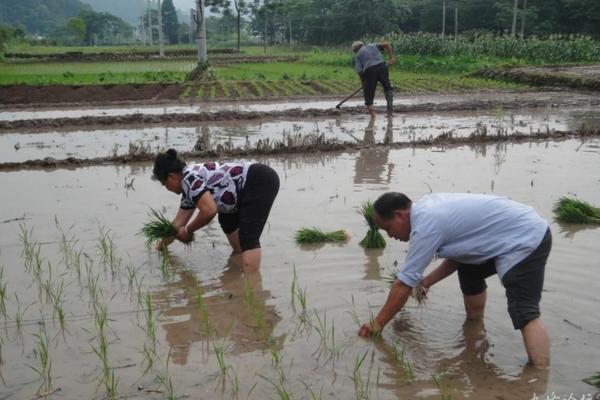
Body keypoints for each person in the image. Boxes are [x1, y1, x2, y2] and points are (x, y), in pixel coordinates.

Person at [358, 192, 552, 369]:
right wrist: (426, 282)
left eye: (388, 228)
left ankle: (539, 375)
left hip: (525, 239)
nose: (390, 235)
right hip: (509, 232)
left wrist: (377, 324)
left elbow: (403, 284)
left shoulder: (426, 225)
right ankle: (475, 333)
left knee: (523, 311)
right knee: (469, 272)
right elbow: (460, 255)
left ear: (400, 215)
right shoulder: (427, 208)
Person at [152, 149, 280, 273]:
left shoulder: (189, 180)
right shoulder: (188, 186)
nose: (167, 189)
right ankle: (238, 264)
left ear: (171, 177)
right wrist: (160, 247)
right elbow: (178, 223)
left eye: (165, 184)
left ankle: (252, 285)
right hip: (243, 189)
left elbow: (209, 211)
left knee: (248, 237)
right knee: (226, 219)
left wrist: (188, 231)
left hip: (258, 181)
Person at [352, 40, 395, 117]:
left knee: (368, 94)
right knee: (388, 89)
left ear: (355, 50)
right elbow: (386, 44)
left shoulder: (358, 55)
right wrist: (391, 58)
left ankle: (373, 116)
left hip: (369, 71)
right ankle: (390, 113)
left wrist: (364, 83)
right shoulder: (372, 45)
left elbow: (360, 72)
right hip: (382, 67)